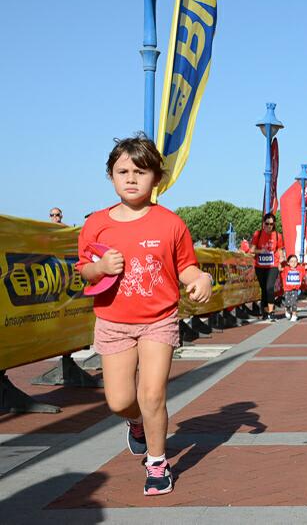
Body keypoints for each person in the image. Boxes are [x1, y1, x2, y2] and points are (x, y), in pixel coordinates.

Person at [77, 134, 212, 496]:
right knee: (119, 400)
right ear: (111, 177)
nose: (131, 178)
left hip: (159, 320)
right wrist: (101, 266)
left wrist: (202, 278)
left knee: (152, 395)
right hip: (113, 322)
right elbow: (85, 273)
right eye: (123, 171)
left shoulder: (171, 224)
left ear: (157, 178)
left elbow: (186, 268)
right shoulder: (96, 224)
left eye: (141, 171)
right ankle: (136, 424)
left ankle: (157, 462)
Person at [252, 213, 284, 321]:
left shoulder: (277, 235)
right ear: (263, 223)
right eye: (267, 223)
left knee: (270, 287)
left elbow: (279, 250)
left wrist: (281, 261)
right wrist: (261, 251)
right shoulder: (258, 234)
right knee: (264, 289)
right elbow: (252, 250)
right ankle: (265, 311)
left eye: (271, 224)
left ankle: (271, 312)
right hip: (260, 265)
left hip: (273, 265)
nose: (269, 226)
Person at [281, 254, 306, 322]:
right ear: (288, 263)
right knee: (287, 302)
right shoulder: (286, 269)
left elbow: (305, 268)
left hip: (295, 289)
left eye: (295, 261)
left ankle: (294, 315)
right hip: (287, 289)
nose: (294, 263)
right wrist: (280, 262)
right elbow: (280, 268)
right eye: (291, 261)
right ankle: (287, 310)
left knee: (294, 302)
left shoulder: (299, 268)